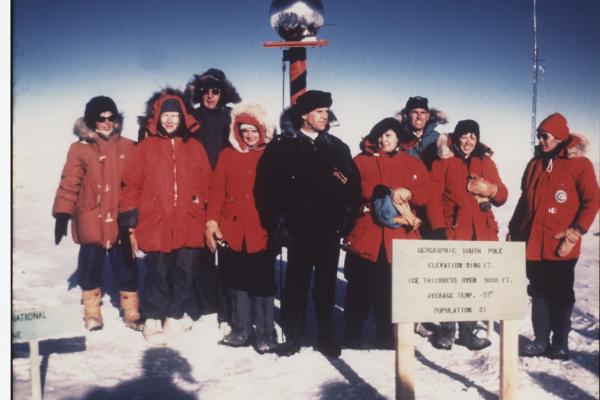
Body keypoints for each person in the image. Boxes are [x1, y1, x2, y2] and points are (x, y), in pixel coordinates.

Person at [255, 90, 361, 357]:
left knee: (326, 286)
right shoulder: (281, 147)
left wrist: (346, 221)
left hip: (329, 230)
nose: (325, 116)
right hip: (297, 232)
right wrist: (278, 225)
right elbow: (266, 189)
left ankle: (325, 336)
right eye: (319, 111)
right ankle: (294, 335)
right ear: (304, 115)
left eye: (327, 111)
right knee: (295, 285)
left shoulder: (337, 148)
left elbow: (353, 189)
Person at [118, 90, 211, 345]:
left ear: (183, 119)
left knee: (184, 270)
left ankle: (175, 315)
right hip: (155, 221)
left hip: (188, 220)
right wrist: (129, 220)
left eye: (175, 116)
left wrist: (201, 207)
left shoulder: (195, 147)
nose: (170, 120)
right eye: (165, 115)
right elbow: (131, 185)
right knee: (157, 271)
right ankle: (152, 318)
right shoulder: (145, 147)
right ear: (157, 118)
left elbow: (206, 183)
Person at [342, 118, 444, 349]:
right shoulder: (360, 162)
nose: (382, 139)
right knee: (358, 285)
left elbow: (427, 193)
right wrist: (369, 199)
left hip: (399, 237)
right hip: (366, 234)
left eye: (388, 135)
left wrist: (409, 192)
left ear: (399, 138)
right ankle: (352, 332)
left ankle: (386, 334)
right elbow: (347, 193)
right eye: (379, 135)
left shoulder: (412, 164)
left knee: (390, 288)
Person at [509, 113, 598, 360]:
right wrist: (514, 229)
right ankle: (540, 340)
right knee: (537, 291)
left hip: (561, 245)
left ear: (559, 137)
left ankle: (560, 343)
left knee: (560, 294)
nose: (540, 140)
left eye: (544, 136)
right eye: (539, 135)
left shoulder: (579, 164)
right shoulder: (535, 164)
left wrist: (576, 230)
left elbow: (592, 201)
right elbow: (523, 201)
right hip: (533, 244)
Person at [53, 96, 140, 332]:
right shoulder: (80, 149)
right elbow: (70, 182)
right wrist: (62, 213)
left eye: (111, 118)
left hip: (121, 219)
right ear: (92, 120)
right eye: (101, 119)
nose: (106, 123)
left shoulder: (129, 146)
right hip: (91, 218)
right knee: (90, 265)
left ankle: (131, 311)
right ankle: (92, 312)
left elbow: (138, 182)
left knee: (126, 266)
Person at [204, 103, 279, 354]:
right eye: (244, 130)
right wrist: (212, 220)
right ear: (237, 131)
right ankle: (241, 328)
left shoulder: (271, 155)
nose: (249, 135)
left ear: (262, 131)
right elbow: (216, 191)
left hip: (262, 230)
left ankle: (266, 332)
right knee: (237, 282)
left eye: (254, 130)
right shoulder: (227, 155)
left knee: (263, 283)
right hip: (233, 230)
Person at [429, 119, 508, 350]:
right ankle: (446, 331)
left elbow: (503, 196)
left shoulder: (486, 162)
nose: (468, 142)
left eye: (473, 137)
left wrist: (491, 190)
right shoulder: (443, 162)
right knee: (449, 283)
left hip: (481, 233)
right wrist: (438, 229)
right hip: (453, 232)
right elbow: (433, 198)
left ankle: (468, 332)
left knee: (473, 285)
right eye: (464, 136)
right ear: (456, 138)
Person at [184, 68, 242, 329]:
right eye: (205, 90)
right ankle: (208, 307)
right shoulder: (190, 118)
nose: (210, 95)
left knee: (229, 254)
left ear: (223, 93)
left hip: (228, 192)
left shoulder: (233, 117)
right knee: (203, 253)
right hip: (198, 192)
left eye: (215, 90)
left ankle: (228, 312)